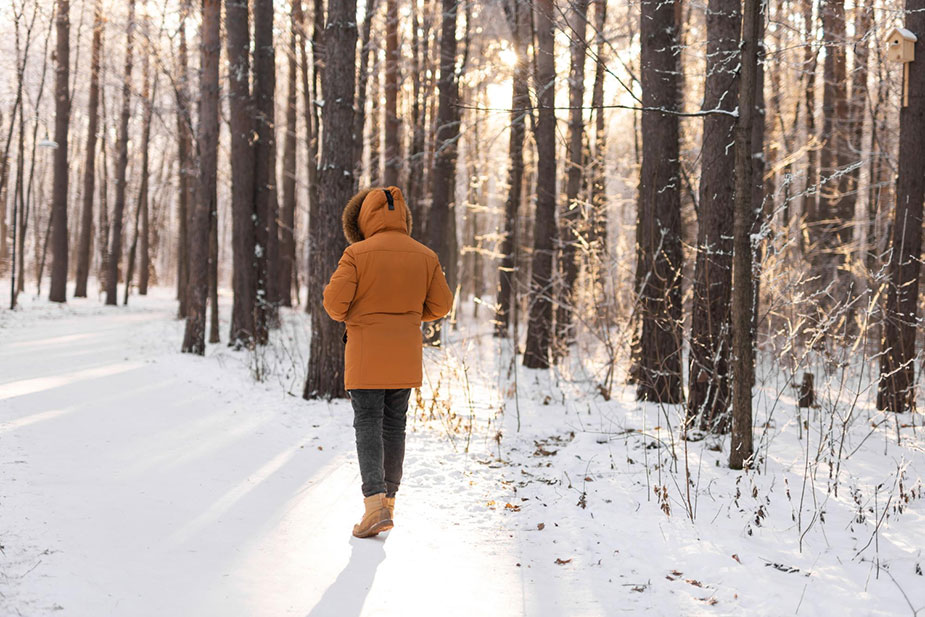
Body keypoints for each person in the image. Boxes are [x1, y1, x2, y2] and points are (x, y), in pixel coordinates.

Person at [322, 186, 453, 538]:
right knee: (395, 426)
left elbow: (335, 306)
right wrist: (409, 315)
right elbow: (441, 306)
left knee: (367, 423)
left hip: (365, 355)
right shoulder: (425, 255)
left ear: (362, 219)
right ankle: (389, 504)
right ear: (403, 217)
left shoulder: (356, 254)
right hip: (404, 356)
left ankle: (374, 505)